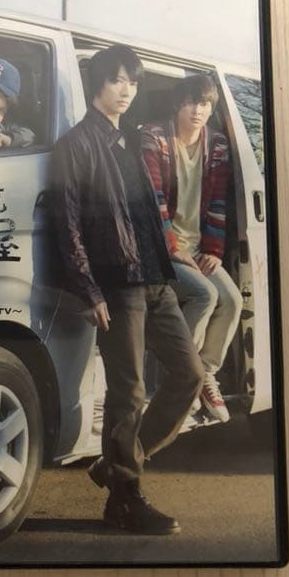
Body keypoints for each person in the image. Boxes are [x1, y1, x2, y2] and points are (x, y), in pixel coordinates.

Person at [52, 45, 205, 535]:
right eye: (117, 80)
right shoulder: (76, 144)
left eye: (133, 82)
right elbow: (67, 223)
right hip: (117, 283)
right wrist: (89, 288)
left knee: (189, 374)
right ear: (97, 82)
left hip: (155, 276)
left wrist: (170, 254)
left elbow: (145, 211)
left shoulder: (130, 139)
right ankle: (123, 498)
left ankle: (120, 462)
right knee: (129, 391)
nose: (126, 90)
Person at [141, 74, 243, 423]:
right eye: (190, 103)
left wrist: (213, 250)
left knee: (232, 300)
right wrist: (171, 246)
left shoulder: (217, 146)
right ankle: (182, 373)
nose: (197, 110)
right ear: (177, 105)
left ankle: (204, 373)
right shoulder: (154, 138)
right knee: (204, 294)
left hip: (197, 248)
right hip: (163, 249)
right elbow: (153, 199)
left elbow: (217, 202)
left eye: (204, 104)